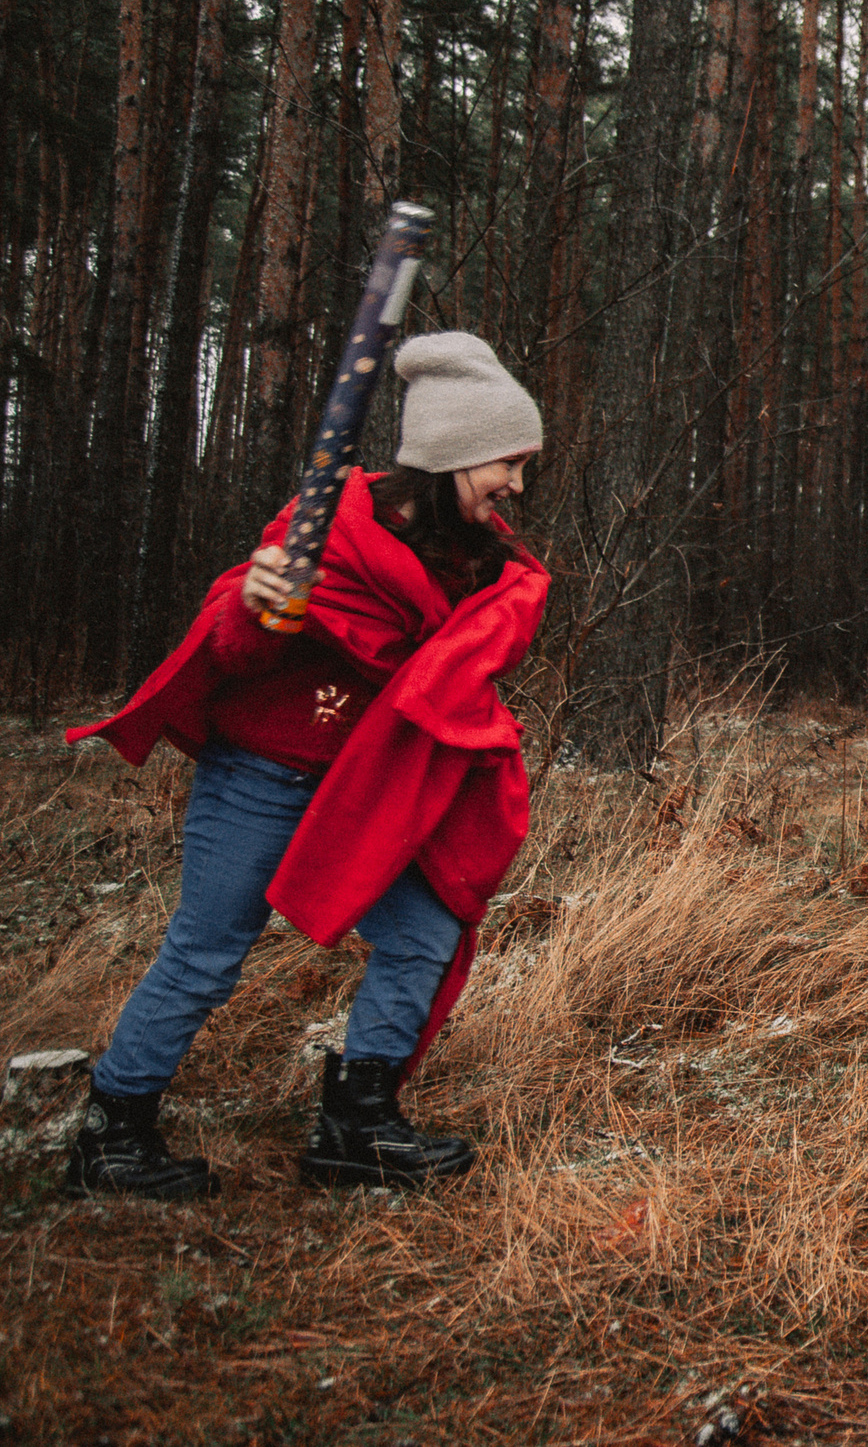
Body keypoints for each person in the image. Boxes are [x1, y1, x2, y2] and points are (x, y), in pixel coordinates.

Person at [62, 331, 551, 1200]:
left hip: (367, 786)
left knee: (426, 931)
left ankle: (356, 1124)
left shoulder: (482, 567)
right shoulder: (325, 532)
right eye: (505, 462)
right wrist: (257, 607)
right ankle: (114, 1129)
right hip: (258, 773)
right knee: (207, 953)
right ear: (451, 456)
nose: (516, 483)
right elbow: (235, 652)